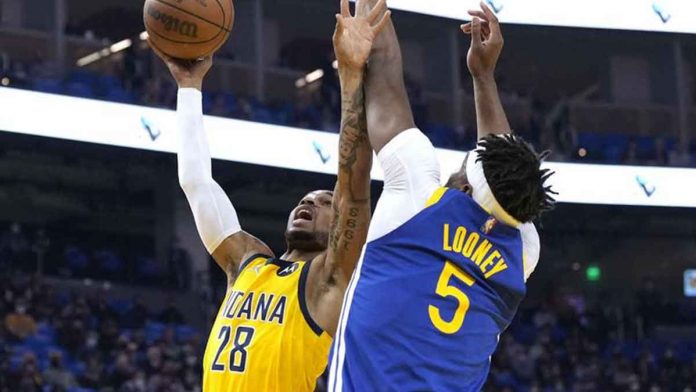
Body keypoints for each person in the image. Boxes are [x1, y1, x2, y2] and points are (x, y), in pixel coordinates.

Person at [148, 1, 390, 390]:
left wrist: (350, 75)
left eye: (326, 202)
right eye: (306, 200)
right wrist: (189, 87)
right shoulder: (246, 262)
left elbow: (354, 183)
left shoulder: (328, 279)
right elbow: (196, 183)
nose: (310, 203)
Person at [328, 2, 556, 391]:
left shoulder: (418, 197)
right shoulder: (522, 251)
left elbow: (383, 71)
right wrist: (483, 77)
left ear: (466, 188)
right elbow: (502, 170)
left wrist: (484, 76)